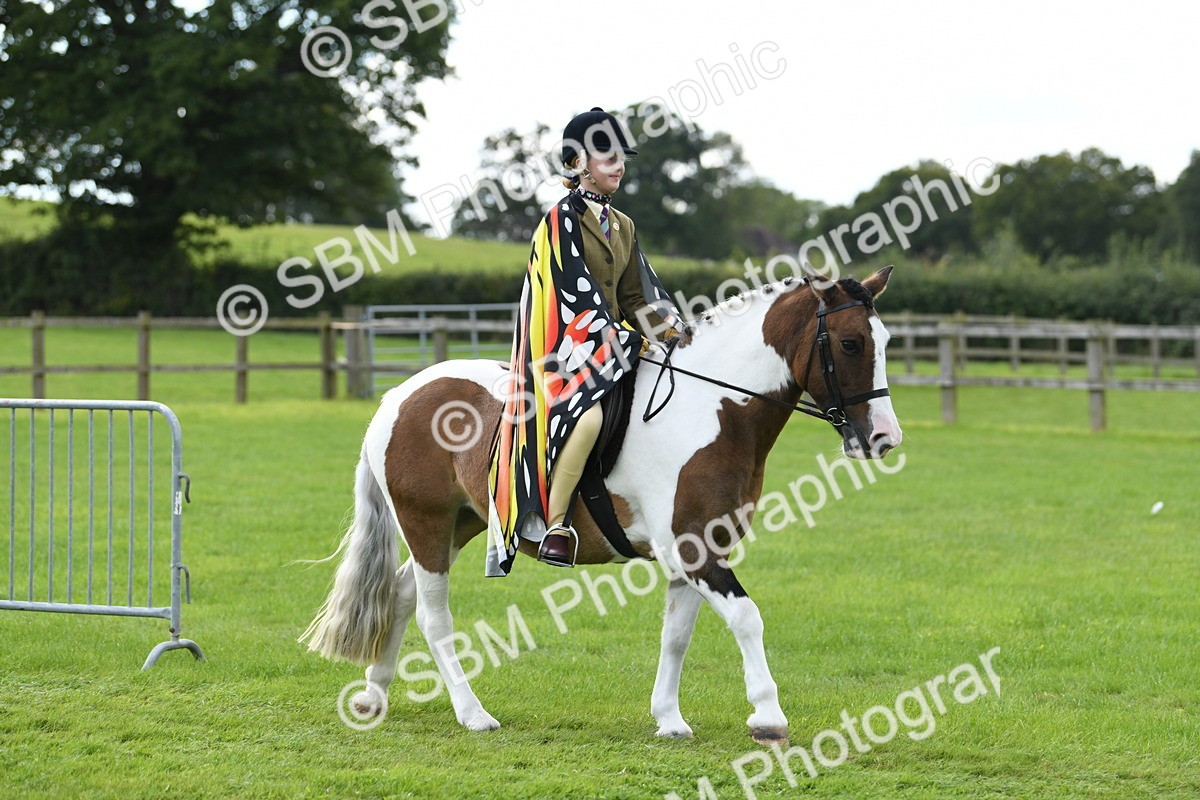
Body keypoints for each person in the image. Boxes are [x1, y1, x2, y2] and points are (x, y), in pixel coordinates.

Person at [485, 107, 684, 576]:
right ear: (577, 163)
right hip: (563, 351)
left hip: (614, 347)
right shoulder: (559, 220)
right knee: (589, 416)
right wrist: (623, 339)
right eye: (607, 157)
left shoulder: (625, 225)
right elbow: (574, 293)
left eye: (622, 158)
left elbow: (639, 295)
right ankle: (556, 525)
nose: (619, 166)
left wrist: (674, 333)